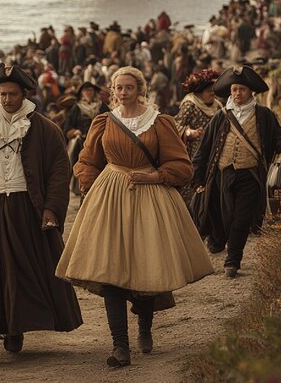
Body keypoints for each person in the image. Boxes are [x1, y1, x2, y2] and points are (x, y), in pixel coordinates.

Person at [56, 66, 213, 368]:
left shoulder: (159, 122)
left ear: (140, 89)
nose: (123, 93)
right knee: (110, 271)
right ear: (112, 90)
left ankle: (144, 325)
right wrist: (91, 187)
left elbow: (183, 166)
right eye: (119, 88)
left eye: (129, 87)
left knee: (145, 268)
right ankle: (120, 346)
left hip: (150, 196)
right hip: (110, 197)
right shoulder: (103, 122)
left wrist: (153, 177)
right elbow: (87, 161)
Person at [0, 63, 83, 367]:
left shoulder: (46, 130)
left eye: (12, 94)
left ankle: (15, 328)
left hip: (26, 210)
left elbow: (60, 174)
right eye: (2, 94)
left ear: (24, 94)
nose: (6, 99)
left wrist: (51, 210)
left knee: (23, 274)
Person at [192, 65, 281, 275]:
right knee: (223, 216)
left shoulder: (264, 114)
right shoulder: (221, 117)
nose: (238, 93)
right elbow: (204, 148)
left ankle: (233, 260)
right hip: (222, 175)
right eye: (235, 89)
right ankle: (222, 243)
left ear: (251, 92)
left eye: (242, 90)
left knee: (241, 218)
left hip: (250, 175)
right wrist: (198, 177)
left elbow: (277, 136)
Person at [174, 69, 221, 203]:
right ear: (199, 93)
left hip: (213, 152)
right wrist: (189, 132)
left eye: (213, 90)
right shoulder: (190, 106)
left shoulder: (217, 106)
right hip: (193, 154)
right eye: (208, 91)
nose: (212, 93)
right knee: (192, 189)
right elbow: (175, 126)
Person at [63, 81, 109, 195]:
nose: (88, 92)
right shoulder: (77, 107)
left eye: (90, 90)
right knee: (75, 158)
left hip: (99, 141)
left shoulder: (101, 106)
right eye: (85, 91)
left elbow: (111, 122)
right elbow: (67, 126)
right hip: (81, 141)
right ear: (81, 93)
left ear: (94, 93)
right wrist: (74, 132)